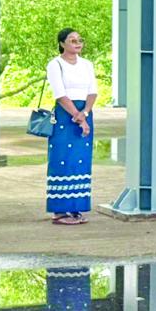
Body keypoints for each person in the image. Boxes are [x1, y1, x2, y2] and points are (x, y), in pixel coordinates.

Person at [45, 28, 99, 226]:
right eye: (72, 40)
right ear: (62, 43)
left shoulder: (87, 65)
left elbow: (93, 91)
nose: (78, 43)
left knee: (80, 161)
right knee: (62, 159)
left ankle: (75, 208)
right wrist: (78, 116)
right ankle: (59, 212)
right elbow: (60, 94)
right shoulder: (55, 64)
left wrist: (85, 113)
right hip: (65, 116)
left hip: (84, 112)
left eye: (80, 40)